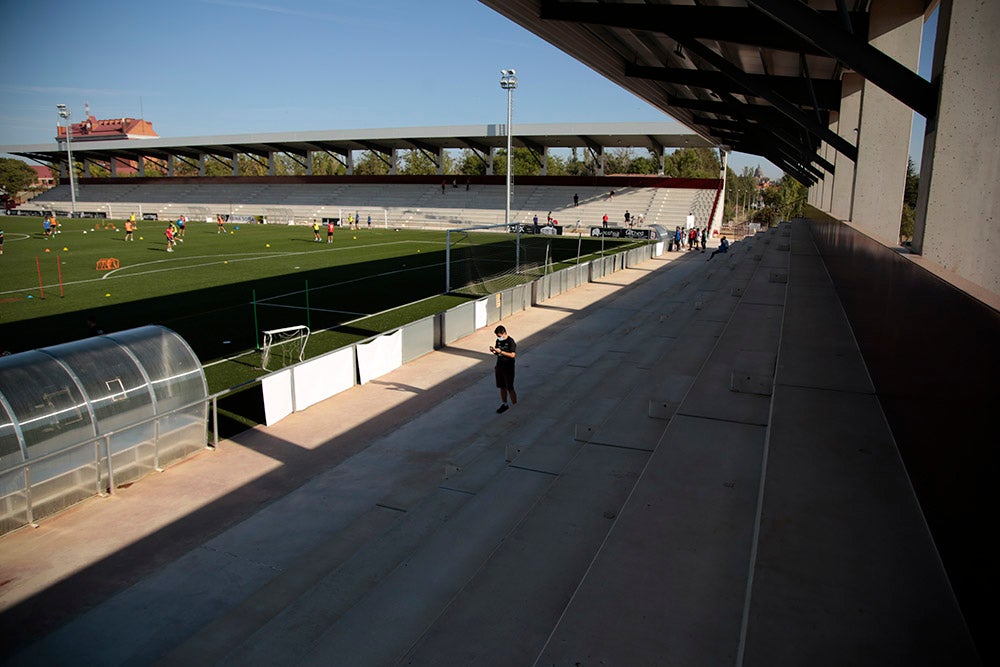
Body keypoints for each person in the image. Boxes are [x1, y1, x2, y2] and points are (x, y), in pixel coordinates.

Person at [490, 325, 517, 414]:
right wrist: (494, 352)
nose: (498, 338)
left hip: (508, 367)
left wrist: (501, 352)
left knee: (510, 387)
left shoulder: (510, 341)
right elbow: (498, 353)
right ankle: (504, 404)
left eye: (499, 336)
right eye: (497, 336)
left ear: (504, 333)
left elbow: (512, 355)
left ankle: (516, 406)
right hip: (499, 366)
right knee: (502, 386)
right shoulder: (498, 341)